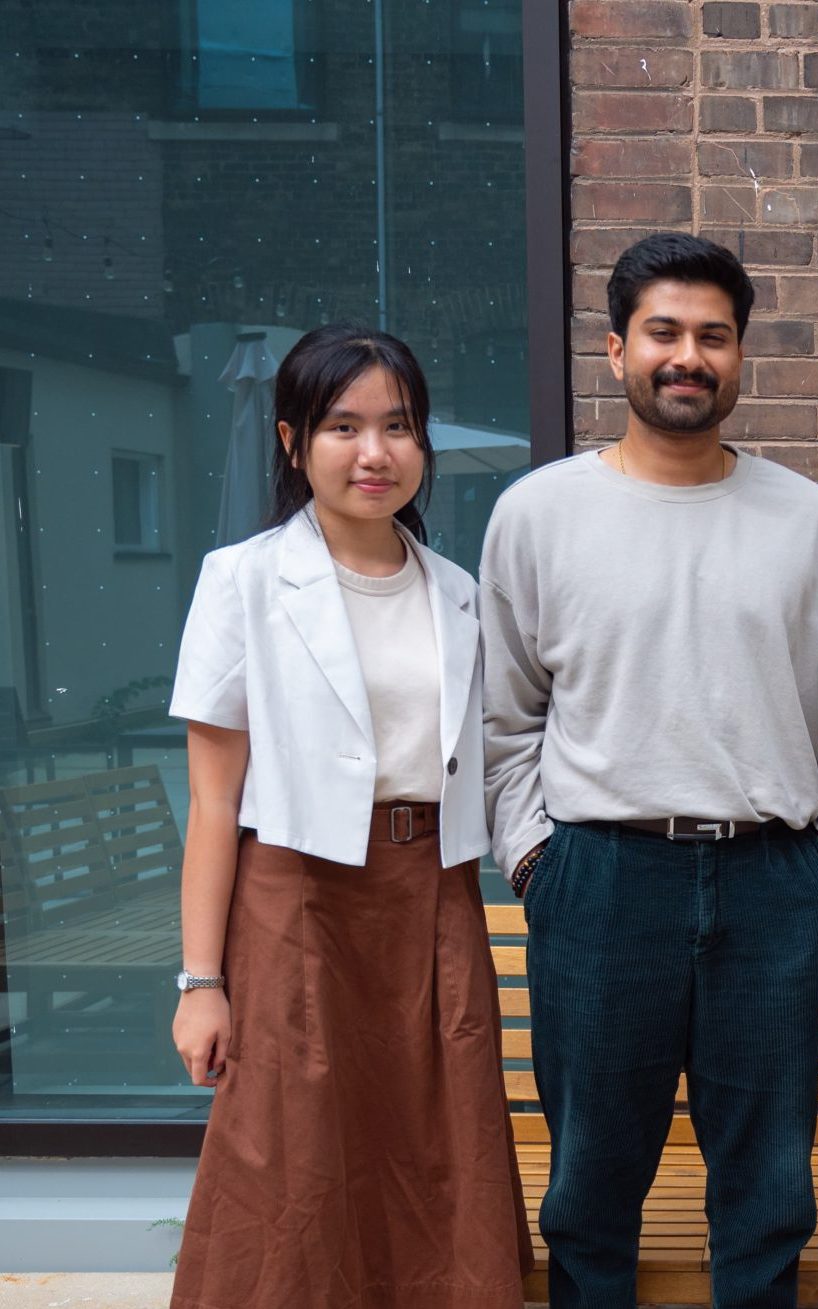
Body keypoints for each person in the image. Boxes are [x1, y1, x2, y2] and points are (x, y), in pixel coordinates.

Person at [481, 232, 818, 1309]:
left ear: (741, 355)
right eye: (664, 332)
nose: (687, 355)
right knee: (591, 1187)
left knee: (766, 1188)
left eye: (713, 335)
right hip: (600, 881)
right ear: (616, 350)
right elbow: (504, 716)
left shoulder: (809, 520)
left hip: (771, 882)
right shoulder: (537, 515)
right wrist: (535, 861)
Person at [167, 324, 530, 1308]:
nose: (375, 452)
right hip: (296, 899)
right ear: (293, 442)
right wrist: (203, 981)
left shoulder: (459, 594)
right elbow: (211, 803)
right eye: (343, 426)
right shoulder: (242, 582)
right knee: (290, 1161)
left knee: (440, 1153)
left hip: (434, 897)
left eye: (399, 426)